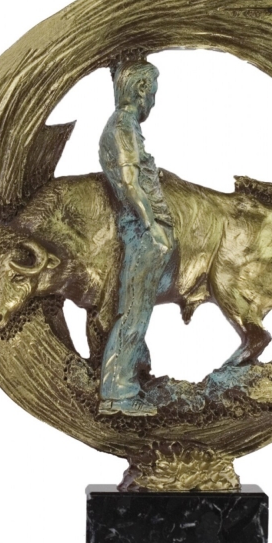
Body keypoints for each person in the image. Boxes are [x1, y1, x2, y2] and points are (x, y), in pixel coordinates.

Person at [98, 60, 174, 416]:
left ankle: (134, 375)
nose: (154, 102)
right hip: (143, 232)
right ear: (141, 89)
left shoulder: (126, 126)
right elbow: (129, 183)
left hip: (147, 232)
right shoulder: (122, 126)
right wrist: (152, 226)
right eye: (153, 93)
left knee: (139, 310)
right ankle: (118, 393)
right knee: (134, 312)